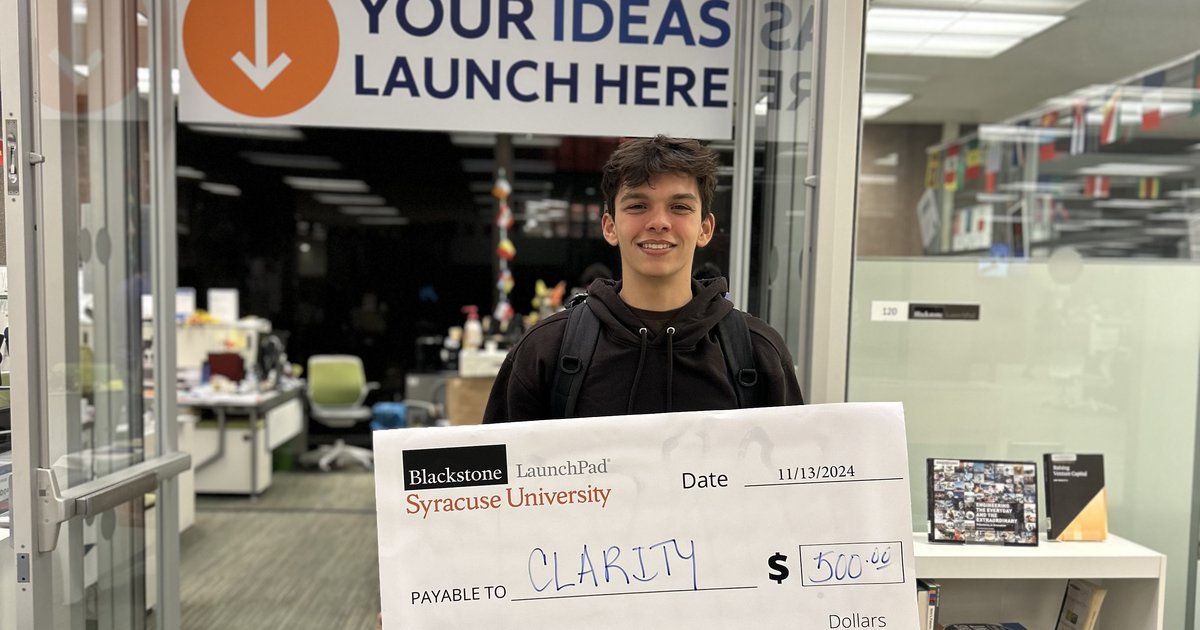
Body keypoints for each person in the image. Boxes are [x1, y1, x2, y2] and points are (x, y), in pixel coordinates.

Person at [483, 136, 803, 422]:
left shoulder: (757, 351)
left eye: (679, 206)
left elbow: (788, 478)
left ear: (705, 228)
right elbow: (501, 481)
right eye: (638, 205)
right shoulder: (545, 350)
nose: (659, 222)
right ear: (609, 226)